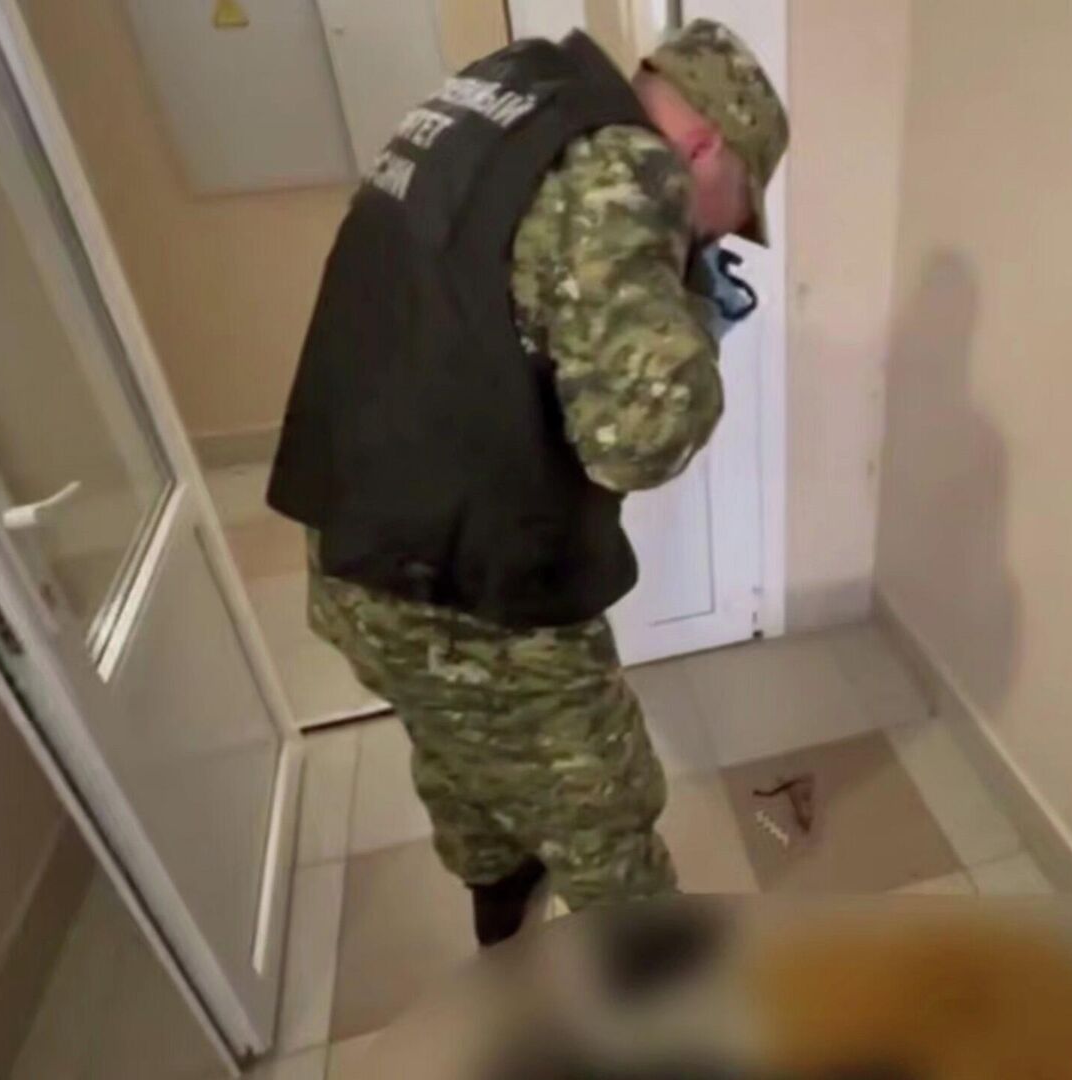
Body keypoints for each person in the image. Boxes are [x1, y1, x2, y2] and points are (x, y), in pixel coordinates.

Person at [266, 20, 788, 946]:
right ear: (708, 146)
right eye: (734, 210)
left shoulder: (502, 93)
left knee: (458, 751)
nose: (713, 231)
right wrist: (695, 313)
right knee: (604, 811)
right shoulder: (628, 169)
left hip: (355, 547)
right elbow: (637, 442)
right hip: (468, 587)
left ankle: (502, 918)